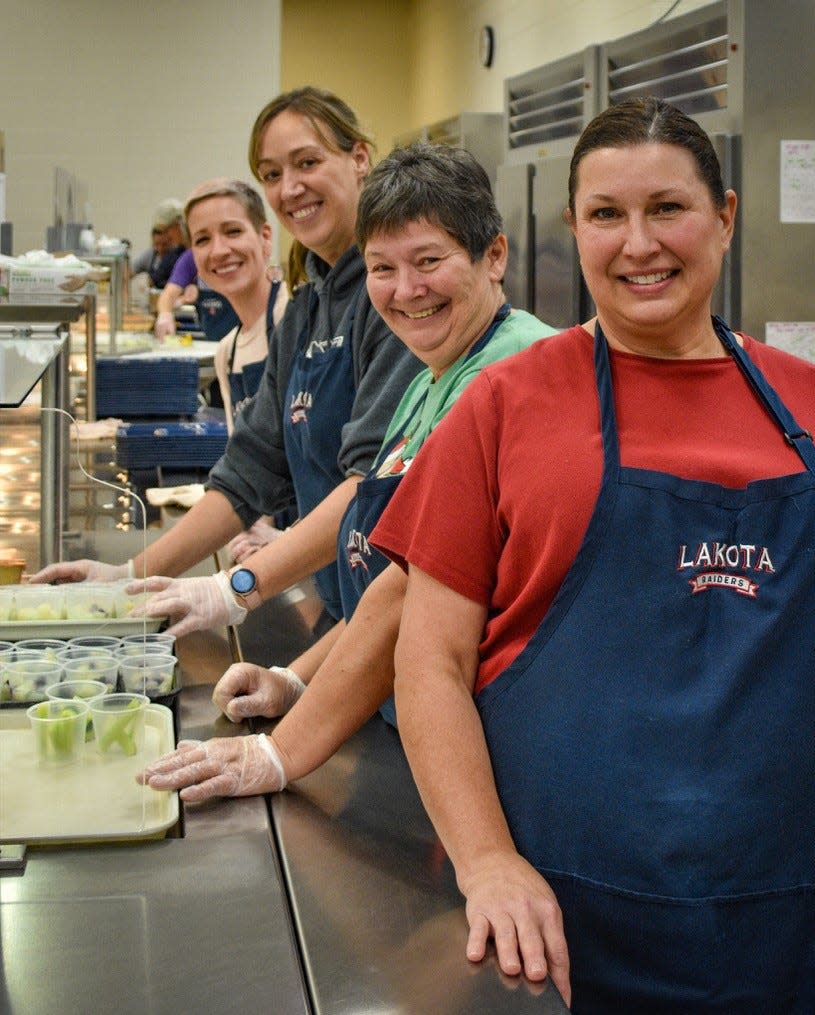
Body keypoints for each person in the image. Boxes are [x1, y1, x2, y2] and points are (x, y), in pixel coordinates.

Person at [366, 99, 815, 1012]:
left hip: (789, 924)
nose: (639, 243)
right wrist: (487, 862)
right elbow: (427, 659)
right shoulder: (504, 407)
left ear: (724, 216)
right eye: (606, 215)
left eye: (668, 208)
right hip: (557, 928)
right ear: (573, 230)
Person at [135, 141, 556, 797]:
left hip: (501, 751)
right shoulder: (429, 376)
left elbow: (413, 587)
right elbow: (383, 566)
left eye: (429, 261)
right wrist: (295, 679)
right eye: (382, 268)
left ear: (493, 255)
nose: (405, 291)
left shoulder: (515, 373)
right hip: (410, 715)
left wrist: (279, 751)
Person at [32, 87, 421, 633]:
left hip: (400, 617)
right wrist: (126, 575)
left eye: (307, 162)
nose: (290, 188)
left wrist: (234, 588)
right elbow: (251, 468)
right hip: (346, 613)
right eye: (271, 173)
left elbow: (372, 484)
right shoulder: (309, 309)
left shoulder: (394, 300)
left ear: (359, 159)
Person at [183, 177, 289, 430]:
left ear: (264, 237)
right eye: (202, 240)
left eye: (233, 231)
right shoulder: (227, 353)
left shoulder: (299, 317)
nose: (219, 251)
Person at [152, 246, 240, 343]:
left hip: (241, 341)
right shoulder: (191, 258)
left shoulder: (237, 255)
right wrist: (165, 314)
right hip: (210, 342)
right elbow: (168, 295)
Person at [129, 198, 188, 290]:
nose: (168, 236)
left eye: (167, 230)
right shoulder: (156, 256)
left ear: (177, 225)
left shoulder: (182, 253)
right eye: (156, 244)